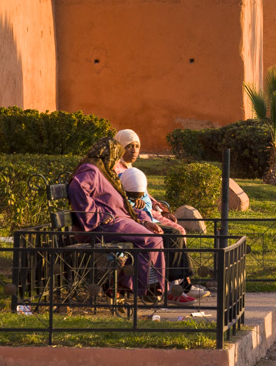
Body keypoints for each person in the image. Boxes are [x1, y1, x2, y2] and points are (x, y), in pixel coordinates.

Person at [67, 137, 175, 300]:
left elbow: (122, 204)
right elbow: (76, 188)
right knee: (151, 240)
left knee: (153, 237)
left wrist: (145, 222)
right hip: (101, 227)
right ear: (108, 155)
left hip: (118, 222)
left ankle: (134, 286)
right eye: (117, 157)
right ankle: (145, 288)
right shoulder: (91, 170)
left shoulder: (106, 173)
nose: (117, 161)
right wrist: (98, 215)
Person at [114, 129, 210, 300]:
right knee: (173, 233)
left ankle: (183, 283)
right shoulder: (116, 169)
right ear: (119, 147)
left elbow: (144, 193)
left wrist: (158, 205)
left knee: (178, 229)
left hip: (147, 211)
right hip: (137, 215)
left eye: (137, 146)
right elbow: (129, 198)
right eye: (129, 146)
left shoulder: (128, 167)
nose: (134, 150)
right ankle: (176, 286)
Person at [120, 167, 202, 301]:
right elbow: (122, 210)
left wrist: (154, 209)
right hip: (131, 225)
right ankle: (172, 288)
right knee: (170, 236)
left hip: (146, 221)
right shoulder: (119, 190)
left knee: (175, 233)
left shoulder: (135, 183)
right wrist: (135, 208)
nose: (138, 197)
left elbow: (148, 204)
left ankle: (180, 284)